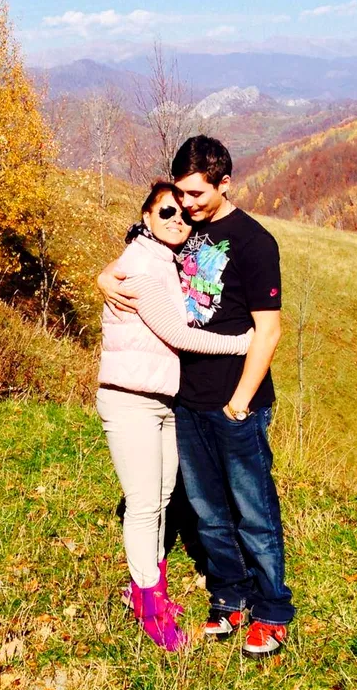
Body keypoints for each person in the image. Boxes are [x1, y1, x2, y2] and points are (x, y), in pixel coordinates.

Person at [98, 136, 295, 659]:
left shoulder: (255, 242)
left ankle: (272, 610)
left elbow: (268, 331)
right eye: (180, 194)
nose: (186, 204)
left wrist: (240, 401)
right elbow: (137, 256)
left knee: (253, 510)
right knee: (207, 512)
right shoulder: (182, 230)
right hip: (186, 401)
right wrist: (104, 277)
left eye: (196, 194)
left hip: (236, 402)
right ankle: (230, 596)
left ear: (224, 183)